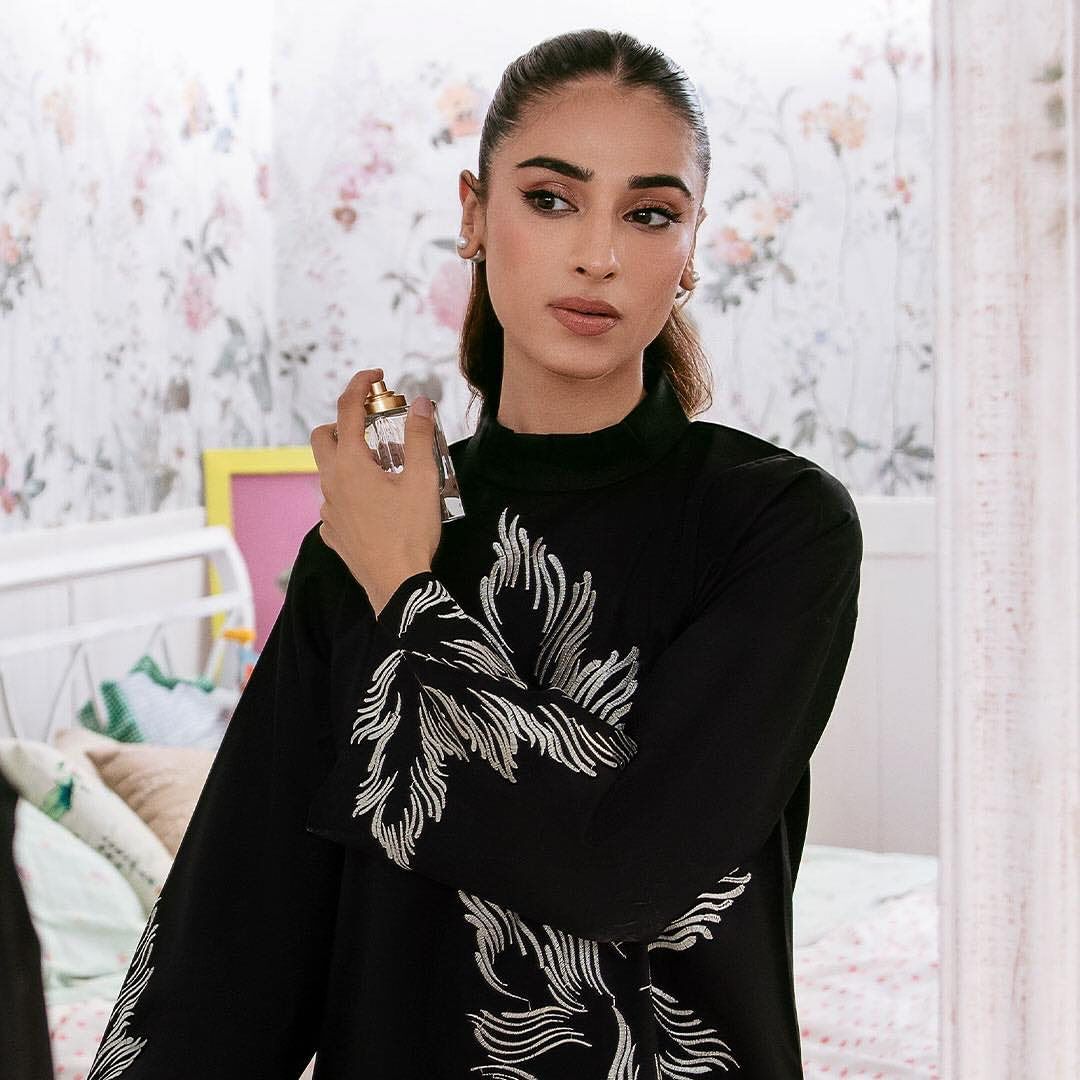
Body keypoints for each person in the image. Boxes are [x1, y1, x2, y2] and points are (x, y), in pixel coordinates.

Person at [88, 28, 862, 1079]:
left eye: (648, 213)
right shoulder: (368, 532)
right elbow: (232, 942)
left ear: (690, 248)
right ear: (473, 214)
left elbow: (630, 867)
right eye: (551, 198)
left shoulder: (779, 525)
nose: (598, 254)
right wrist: (381, 565)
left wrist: (406, 592)